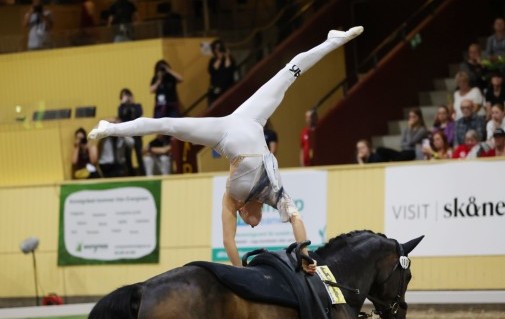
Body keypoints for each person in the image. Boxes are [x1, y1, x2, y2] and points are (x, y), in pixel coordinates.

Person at [89, 26, 365, 272]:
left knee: (288, 73)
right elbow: (296, 220)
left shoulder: (231, 201)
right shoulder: (275, 196)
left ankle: (332, 41)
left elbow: (228, 240)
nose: (254, 224)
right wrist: (305, 254)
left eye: (249, 223)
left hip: (234, 128)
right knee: (167, 125)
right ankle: (111, 129)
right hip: (240, 128)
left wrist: (238, 269)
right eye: (253, 224)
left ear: (243, 213)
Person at [117, 88, 145, 176]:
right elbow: (120, 115)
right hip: (127, 135)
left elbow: (138, 114)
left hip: (137, 134)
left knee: (139, 155)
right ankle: (131, 174)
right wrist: (122, 103)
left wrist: (131, 103)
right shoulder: (121, 108)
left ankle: (143, 173)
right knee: (127, 156)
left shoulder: (137, 106)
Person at [208, 39, 237, 107]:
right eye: (216, 48)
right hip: (215, 89)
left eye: (220, 48)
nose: (219, 50)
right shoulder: (213, 60)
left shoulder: (229, 59)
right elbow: (213, 70)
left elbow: (228, 68)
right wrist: (219, 58)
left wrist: (227, 56)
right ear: (214, 50)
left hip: (228, 88)